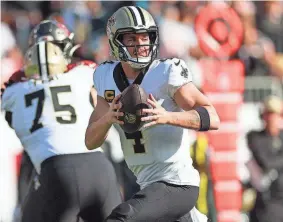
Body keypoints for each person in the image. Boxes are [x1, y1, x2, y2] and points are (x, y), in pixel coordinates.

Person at [85, 6, 220, 221]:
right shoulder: (105, 76)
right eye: (131, 38)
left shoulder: (166, 73)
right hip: (147, 184)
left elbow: (213, 117)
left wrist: (167, 117)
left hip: (177, 183)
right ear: (115, 42)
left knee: (121, 218)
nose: (140, 45)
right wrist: (108, 118)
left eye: (144, 37)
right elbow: (90, 141)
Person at [1, 40, 122, 221]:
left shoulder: (15, 92)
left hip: (57, 171)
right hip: (100, 167)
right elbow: (95, 70)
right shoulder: (81, 74)